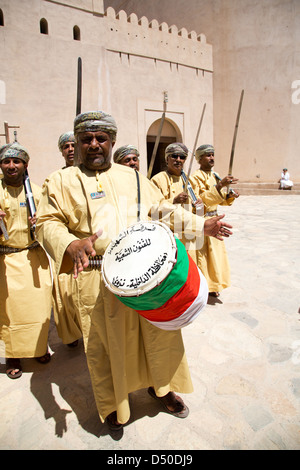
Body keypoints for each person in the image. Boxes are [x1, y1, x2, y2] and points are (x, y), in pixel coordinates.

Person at [35, 111, 232, 430]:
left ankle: (164, 388)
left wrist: (200, 224)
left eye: (101, 138)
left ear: (112, 141)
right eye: (87, 139)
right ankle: (115, 404)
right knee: (106, 345)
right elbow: (46, 222)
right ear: (79, 142)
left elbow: (160, 210)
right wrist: (69, 244)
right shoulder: (59, 181)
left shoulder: (133, 178)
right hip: (96, 278)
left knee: (160, 337)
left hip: (146, 275)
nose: (94, 144)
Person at [0, 142, 52, 379]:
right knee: (10, 311)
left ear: (25, 165)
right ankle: (13, 355)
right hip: (6, 258)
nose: (11, 166)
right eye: (6, 161)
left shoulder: (38, 192)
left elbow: (51, 223)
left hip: (34, 257)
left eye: (16, 161)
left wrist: (40, 222)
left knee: (39, 308)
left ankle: (38, 349)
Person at [190, 144, 239, 298]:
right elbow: (197, 201)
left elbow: (221, 200)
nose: (211, 158)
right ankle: (205, 286)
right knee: (204, 256)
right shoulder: (194, 177)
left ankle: (215, 284)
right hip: (203, 220)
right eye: (207, 155)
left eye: (212, 154)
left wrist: (230, 196)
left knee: (216, 255)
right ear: (199, 159)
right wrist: (219, 186)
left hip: (215, 217)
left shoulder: (215, 175)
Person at [51, 131, 82, 348]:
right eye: (66, 146)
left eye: (73, 145)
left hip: (91, 245)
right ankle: (73, 333)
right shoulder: (56, 179)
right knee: (67, 295)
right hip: (67, 244)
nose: (70, 149)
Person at [151, 142, 204, 250]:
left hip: (189, 232)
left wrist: (199, 204)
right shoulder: (157, 180)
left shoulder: (191, 181)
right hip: (169, 234)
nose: (178, 160)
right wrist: (173, 201)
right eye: (174, 156)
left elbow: (200, 205)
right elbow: (152, 208)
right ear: (167, 159)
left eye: (182, 157)